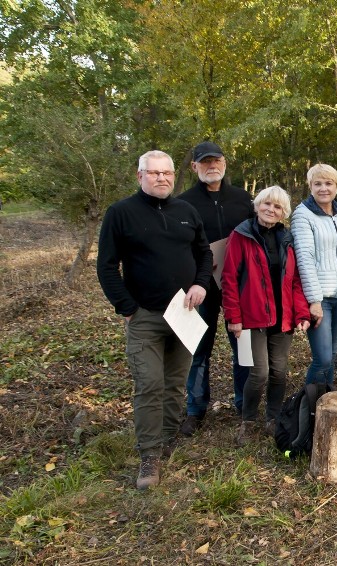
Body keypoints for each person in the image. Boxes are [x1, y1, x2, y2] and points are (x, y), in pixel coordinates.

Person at [97, 150, 212, 490]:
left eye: (167, 173)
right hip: (145, 314)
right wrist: (127, 307)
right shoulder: (121, 213)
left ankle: (166, 439)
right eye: (154, 173)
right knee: (149, 384)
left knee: (176, 383)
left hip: (185, 313)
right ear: (140, 176)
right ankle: (149, 455)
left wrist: (200, 284)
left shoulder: (186, 211)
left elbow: (203, 253)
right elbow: (106, 265)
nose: (162, 178)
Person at [221, 186, 311, 445]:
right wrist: (233, 316)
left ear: (284, 213)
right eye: (267, 204)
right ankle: (248, 421)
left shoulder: (287, 238)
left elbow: (294, 281)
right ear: (257, 205)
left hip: (282, 317)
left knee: (279, 372)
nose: (271, 210)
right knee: (259, 372)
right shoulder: (241, 235)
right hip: (251, 317)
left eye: (278, 207)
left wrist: (301, 313)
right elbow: (229, 278)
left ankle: (273, 418)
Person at [177, 141, 254, 436]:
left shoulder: (242, 199)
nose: (212, 166)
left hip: (239, 285)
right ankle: (196, 409)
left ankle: (244, 404)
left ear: (224, 163)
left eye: (216, 160)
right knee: (199, 348)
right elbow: (178, 246)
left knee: (243, 346)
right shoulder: (183, 203)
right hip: (201, 286)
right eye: (205, 162)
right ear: (195, 166)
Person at [291, 164, 337, 386]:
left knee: (331, 355)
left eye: (329, 183)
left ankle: (326, 402)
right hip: (320, 299)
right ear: (310, 186)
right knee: (322, 359)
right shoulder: (302, 215)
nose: (324, 188)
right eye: (318, 183)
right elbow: (305, 259)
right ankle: (308, 407)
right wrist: (314, 301)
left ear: (336, 186)